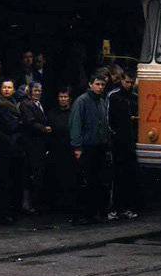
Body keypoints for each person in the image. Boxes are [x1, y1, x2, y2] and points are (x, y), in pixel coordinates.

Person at [69, 69, 110, 225]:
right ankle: (80, 215)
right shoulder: (82, 101)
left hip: (99, 145)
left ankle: (92, 213)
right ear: (90, 84)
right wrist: (77, 147)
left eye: (102, 84)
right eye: (97, 84)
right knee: (83, 182)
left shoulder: (100, 101)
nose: (100, 87)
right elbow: (76, 124)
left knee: (96, 182)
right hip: (86, 146)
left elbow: (103, 124)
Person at [0, 78, 28, 224]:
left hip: (17, 149)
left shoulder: (16, 104)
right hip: (4, 148)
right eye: (4, 87)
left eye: (9, 87)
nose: (7, 90)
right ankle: (4, 213)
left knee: (16, 182)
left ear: (13, 90)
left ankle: (14, 211)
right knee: (5, 183)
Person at [107, 69, 142, 219]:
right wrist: (113, 135)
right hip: (118, 141)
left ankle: (125, 207)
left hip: (131, 141)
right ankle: (114, 208)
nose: (129, 85)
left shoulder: (135, 97)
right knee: (117, 174)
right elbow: (108, 119)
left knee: (128, 174)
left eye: (131, 82)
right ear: (121, 80)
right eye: (126, 82)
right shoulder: (113, 96)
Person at [19, 81, 50, 214]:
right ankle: (27, 203)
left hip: (39, 144)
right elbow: (30, 122)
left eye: (39, 90)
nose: (37, 93)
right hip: (31, 143)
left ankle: (34, 202)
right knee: (30, 173)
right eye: (35, 90)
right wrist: (44, 129)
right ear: (29, 91)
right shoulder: (26, 104)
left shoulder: (39, 104)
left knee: (36, 173)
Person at [44, 87, 74, 210]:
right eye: (61, 97)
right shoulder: (52, 113)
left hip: (70, 148)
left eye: (65, 97)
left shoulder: (73, 113)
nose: (63, 99)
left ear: (70, 99)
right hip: (56, 149)